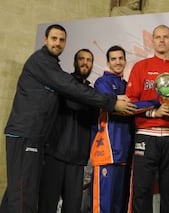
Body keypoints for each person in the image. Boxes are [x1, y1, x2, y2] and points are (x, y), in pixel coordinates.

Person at [0, 24, 137, 213]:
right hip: (27, 134)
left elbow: (74, 91)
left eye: (61, 40)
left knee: (18, 192)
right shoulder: (41, 61)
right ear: (45, 39)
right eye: (54, 38)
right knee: (24, 194)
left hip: (35, 137)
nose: (58, 43)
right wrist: (111, 102)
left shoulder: (52, 66)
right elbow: (70, 87)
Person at [125, 24, 169, 213]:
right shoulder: (141, 67)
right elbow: (131, 102)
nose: (162, 40)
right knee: (141, 190)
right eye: (158, 37)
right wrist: (154, 112)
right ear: (153, 41)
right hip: (147, 135)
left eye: (166, 37)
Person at [38, 48, 98, 213]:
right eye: (81, 59)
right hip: (55, 155)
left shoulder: (93, 92)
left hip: (77, 160)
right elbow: (74, 104)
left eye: (89, 60)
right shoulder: (64, 84)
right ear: (75, 62)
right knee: (47, 205)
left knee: (72, 208)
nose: (85, 62)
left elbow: (93, 120)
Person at [89, 45, 135, 213]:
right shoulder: (102, 82)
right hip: (107, 152)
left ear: (125, 60)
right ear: (108, 62)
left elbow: (132, 105)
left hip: (124, 152)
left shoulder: (127, 84)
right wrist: (154, 103)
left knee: (119, 205)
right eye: (114, 59)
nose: (118, 62)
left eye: (120, 58)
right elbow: (117, 105)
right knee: (104, 206)